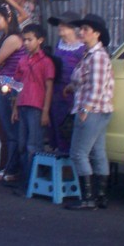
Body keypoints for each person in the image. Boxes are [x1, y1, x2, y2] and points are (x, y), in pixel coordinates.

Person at [64, 13, 115, 211]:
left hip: (92, 109)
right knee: (97, 152)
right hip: (98, 109)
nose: (82, 32)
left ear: (97, 34)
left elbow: (97, 87)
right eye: (82, 28)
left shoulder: (98, 57)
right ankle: (100, 196)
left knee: (78, 153)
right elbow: (86, 82)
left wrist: (85, 109)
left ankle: (88, 198)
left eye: (86, 29)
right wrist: (71, 87)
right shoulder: (90, 55)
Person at [10, 23, 55, 189]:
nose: (26, 43)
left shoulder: (46, 62)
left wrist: (45, 111)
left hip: (36, 107)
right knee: (22, 144)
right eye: (25, 40)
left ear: (40, 40)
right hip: (22, 105)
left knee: (33, 145)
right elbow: (17, 85)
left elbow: (49, 87)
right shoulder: (22, 60)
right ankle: (26, 178)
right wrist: (15, 108)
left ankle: (32, 181)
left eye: (30, 39)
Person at [0, 3, 25, 182]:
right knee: (7, 130)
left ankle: (11, 170)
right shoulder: (5, 38)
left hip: (7, 89)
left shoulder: (12, 39)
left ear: (8, 18)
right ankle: (9, 168)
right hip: (4, 87)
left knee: (10, 131)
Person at [47, 10, 85, 153]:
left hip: (73, 95)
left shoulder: (82, 49)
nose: (60, 27)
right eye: (60, 24)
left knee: (69, 130)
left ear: (73, 28)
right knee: (56, 127)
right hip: (56, 94)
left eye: (64, 25)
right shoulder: (59, 45)